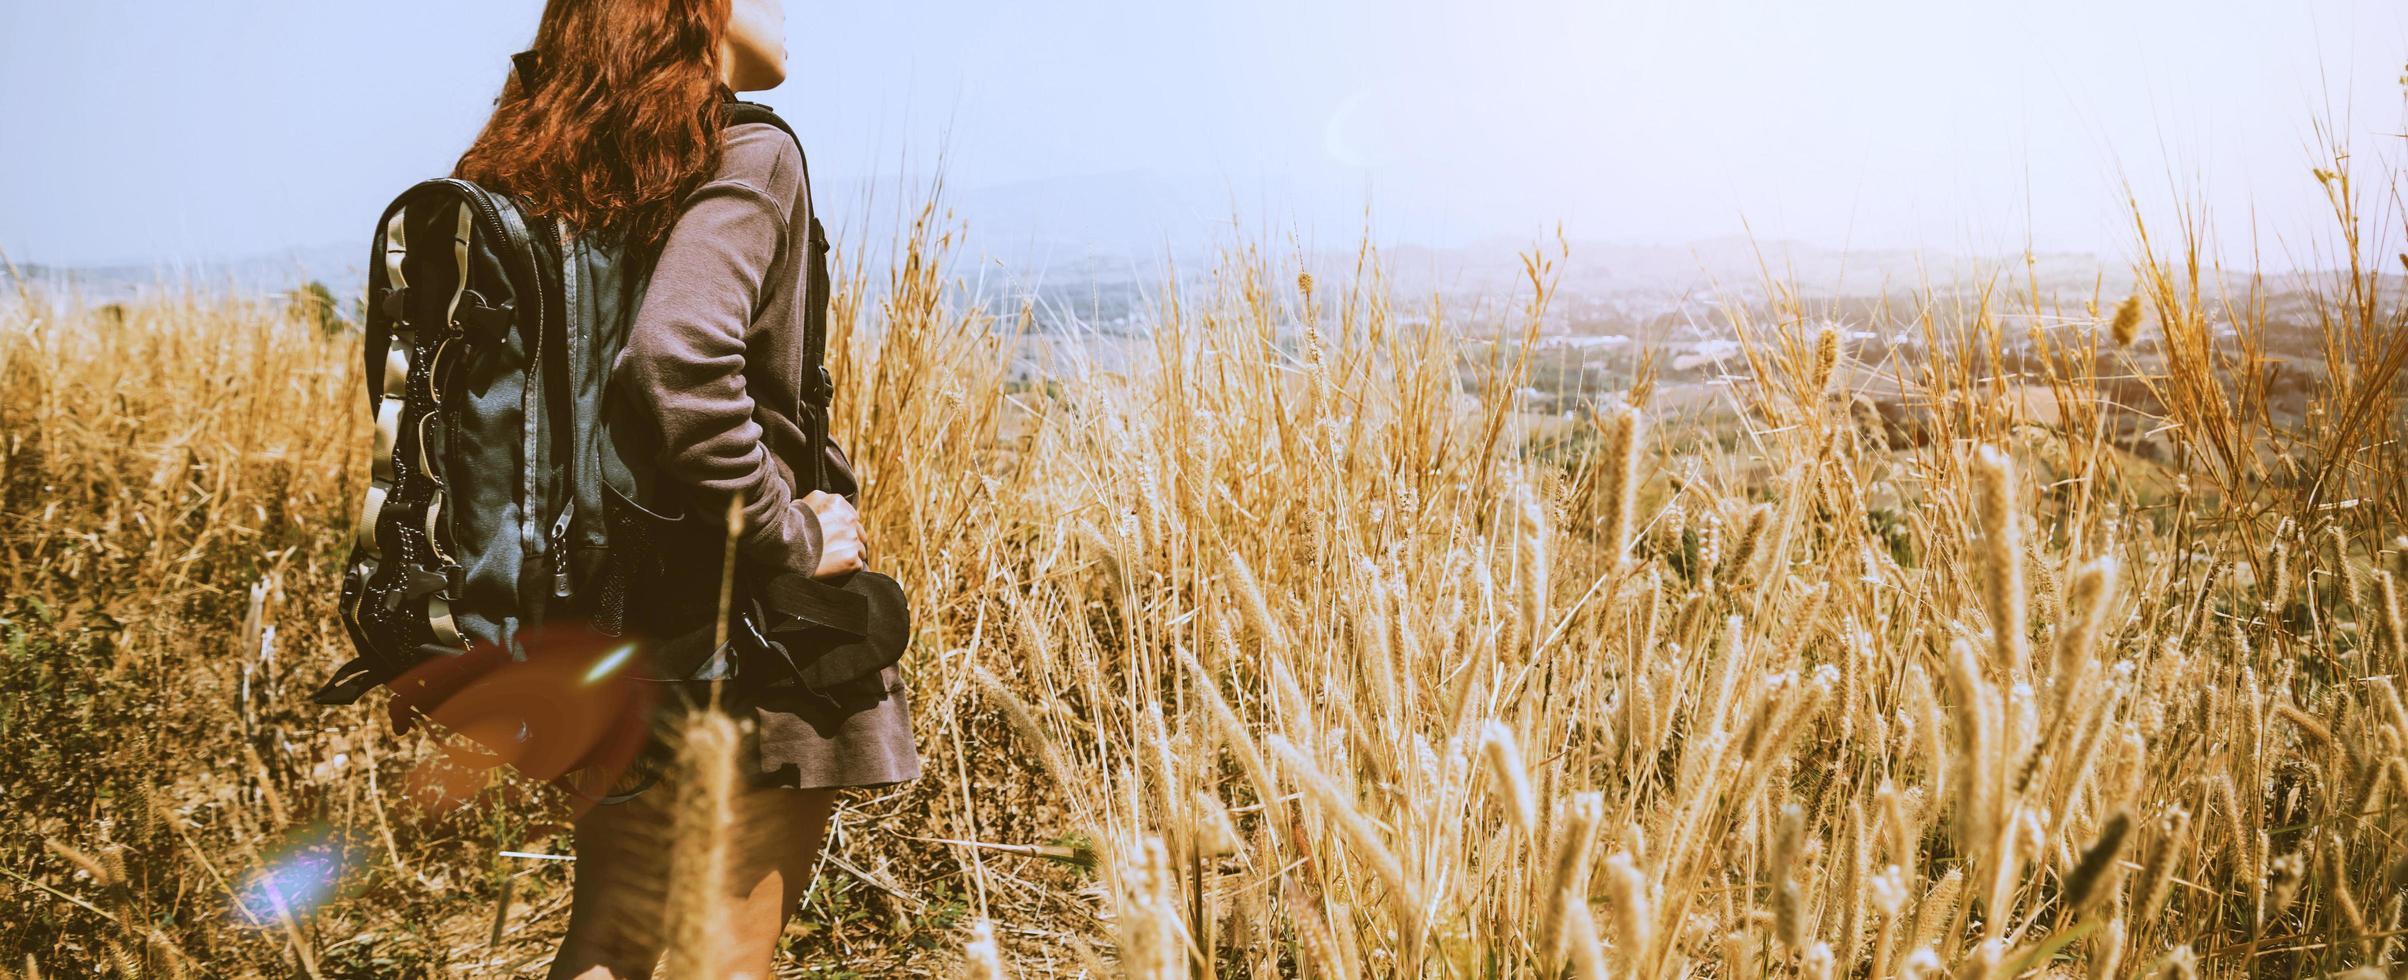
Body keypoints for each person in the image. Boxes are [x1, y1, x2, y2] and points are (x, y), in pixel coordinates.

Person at [449, 1, 921, 976]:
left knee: (613, 937)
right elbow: (672, 360)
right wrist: (787, 533)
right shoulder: (748, 154)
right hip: (741, 622)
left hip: (603, 610)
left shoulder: (558, 153)